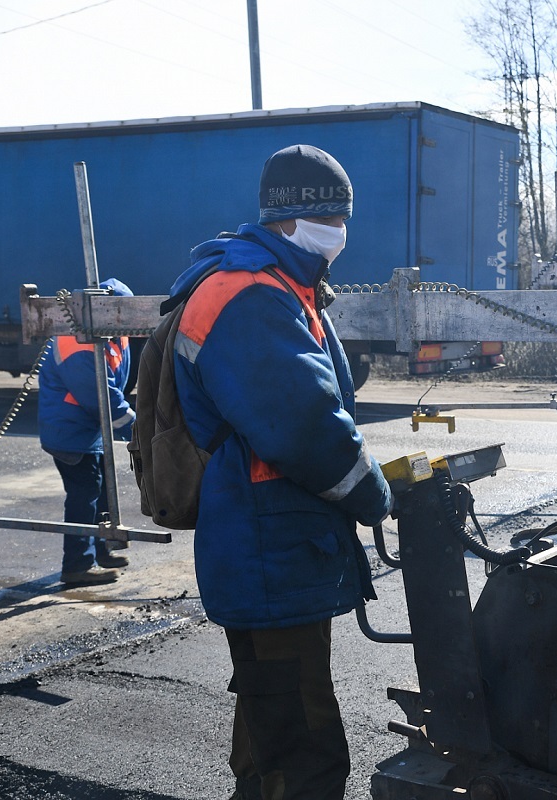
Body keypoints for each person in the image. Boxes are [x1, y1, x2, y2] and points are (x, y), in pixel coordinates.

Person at [169, 144, 393, 800]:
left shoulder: (275, 285)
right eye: (337, 219)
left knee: (272, 730)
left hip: (272, 541)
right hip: (270, 546)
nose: (343, 234)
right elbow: (303, 424)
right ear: (298, 219)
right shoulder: (250, 296)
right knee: (305, 750)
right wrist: (374, 494)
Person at [38, 277, 136, 586]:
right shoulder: (74, 339)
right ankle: (77, 565)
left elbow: (116, 382)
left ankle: (102, 548)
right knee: (85, 494)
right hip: (70, 431)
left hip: (89, 430)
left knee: (103, 489)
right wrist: (134, 424)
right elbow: (98, 393)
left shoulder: (115, 334)